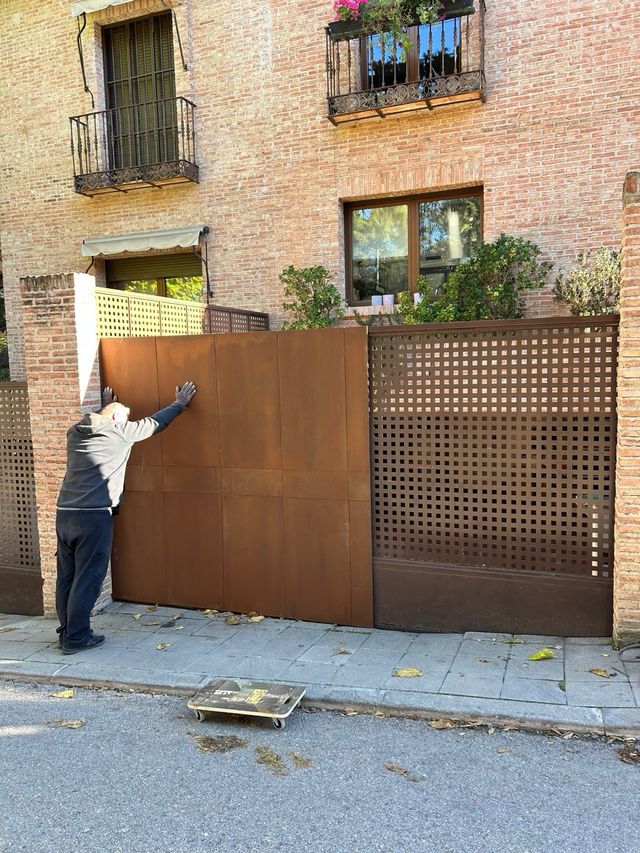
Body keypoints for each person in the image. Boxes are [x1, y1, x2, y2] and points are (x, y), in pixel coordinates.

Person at [55, 381, 197, 654]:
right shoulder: (120, 431)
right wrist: (179, 403)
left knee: (67, 576)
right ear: (118, 418)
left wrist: (106, 406)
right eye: (125, 417)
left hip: (64, 513)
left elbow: (101, 421)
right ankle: (77, 638)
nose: (127, 422)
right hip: (93, 516)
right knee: (88, 578)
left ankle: (66, 632)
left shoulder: (74, 432)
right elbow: (155, 423)